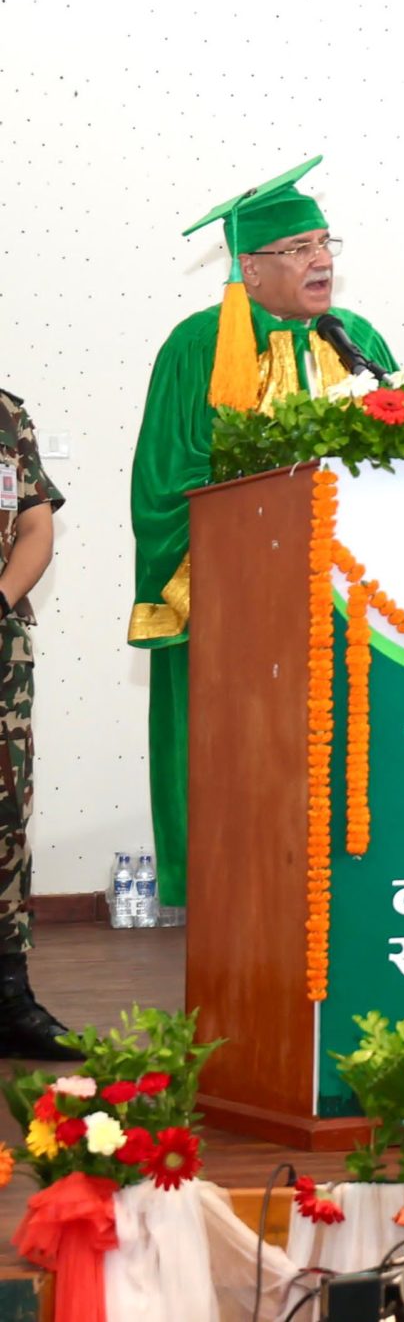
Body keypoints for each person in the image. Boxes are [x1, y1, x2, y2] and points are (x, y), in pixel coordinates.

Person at [131, 158, 395, 910]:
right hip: (239, 602)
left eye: (325, 243)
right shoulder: (199, 345)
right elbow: (164, 480)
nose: (321, 259)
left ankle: (358, 888)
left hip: (352, 600)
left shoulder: (354, 337)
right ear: (249, 268)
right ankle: (239, 906)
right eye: (299, 248)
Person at [0, 389, 74, 1058]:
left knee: (3, 822)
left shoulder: (6, 413)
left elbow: (34, 526)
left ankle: (8, 1001)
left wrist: (0, 597)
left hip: (0, 654)